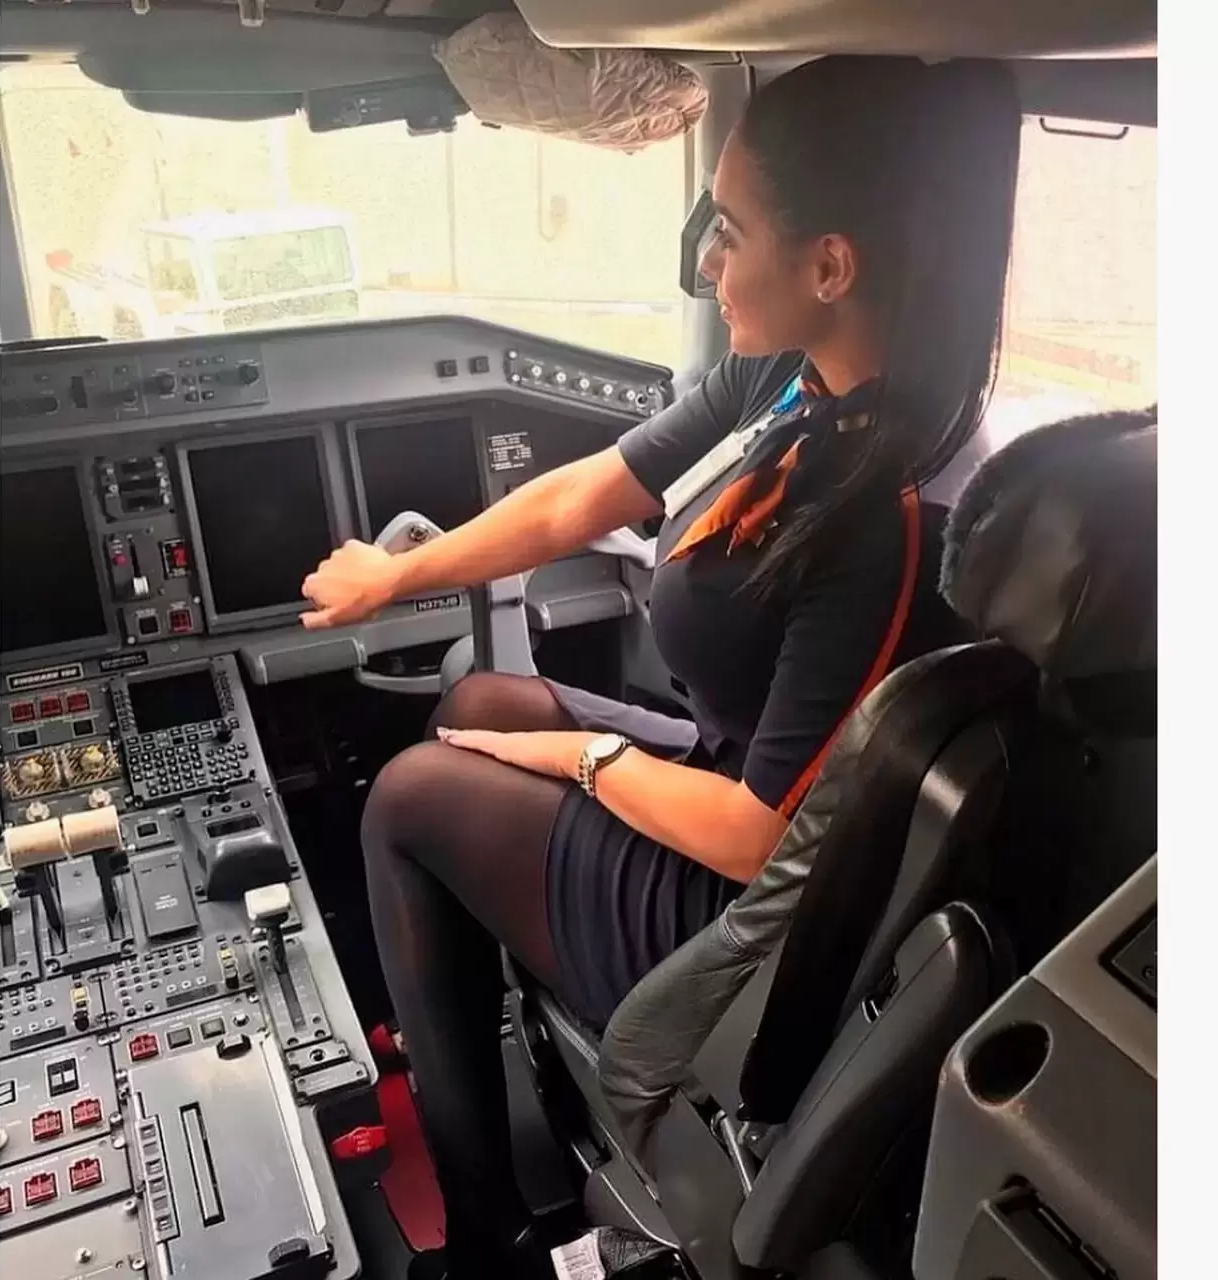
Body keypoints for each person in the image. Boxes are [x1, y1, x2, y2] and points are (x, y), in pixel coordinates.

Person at [301, 55, 1021, 1277]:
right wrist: (394, 576)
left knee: (409, 799)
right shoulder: (790, 381)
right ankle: (481, 1048)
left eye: (727, 230)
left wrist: (577, 755)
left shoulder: (887, 512)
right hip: (737, 778)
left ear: (828, 266)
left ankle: (482, 1236)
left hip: (760, 900)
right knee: (474, 699)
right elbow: (585, 493)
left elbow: (756, 835)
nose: (705, 263)